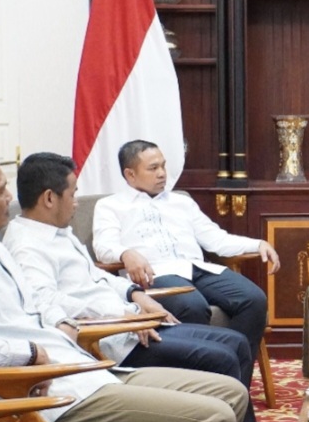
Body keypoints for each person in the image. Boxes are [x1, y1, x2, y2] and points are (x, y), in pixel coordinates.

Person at [0, 144, 248, 422]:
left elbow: (38, 303)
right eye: (0, 191)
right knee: (217, 416)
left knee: (231, 392)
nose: (10, 199)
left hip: (83, 369)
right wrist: (28, 353)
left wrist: (69, 319)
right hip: (52, 399)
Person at [4, 152, 287, 422]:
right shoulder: (26, 246)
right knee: (220, 357)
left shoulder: (59, 233)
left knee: (235, 343)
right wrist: (120, 315)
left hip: (131, 321)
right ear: (49, 198)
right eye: (73, 193)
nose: (77, 202)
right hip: (109, 339)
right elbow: (46, 304)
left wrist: (134, 294)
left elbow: (98, 278)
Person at [92, 140, 280, 356]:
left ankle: (232, 371)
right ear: (130, 174)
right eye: (153, 168)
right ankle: (206, 368)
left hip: (198, 269)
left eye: (163, 166)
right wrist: (125, 254)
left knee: (254, 299)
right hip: (156, 274)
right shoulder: (110, 206)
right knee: (191, 305)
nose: (162, 173)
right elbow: (103, 247)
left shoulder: (181, 202)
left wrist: (257, 244)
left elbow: (215, 238)